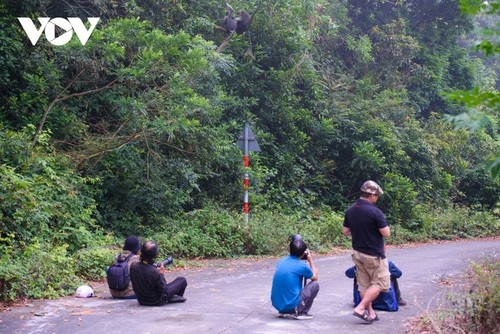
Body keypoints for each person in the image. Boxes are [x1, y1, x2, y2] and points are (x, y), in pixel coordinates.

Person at [342, 180, 390, 323]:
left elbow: (345, 231)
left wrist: (360, 231)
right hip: (373, 255)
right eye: (377, 196)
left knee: (364, 284)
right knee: (382, 283)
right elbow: (386, 233)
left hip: (357, 253)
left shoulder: (350, 210)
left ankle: (371, 313)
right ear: (372, 195)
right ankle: (361, 307)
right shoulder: (375, 212)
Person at [270, 234, 319, 320]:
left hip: (277, 304)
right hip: (291, 306)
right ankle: (300, 312)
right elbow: (315, 277)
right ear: (304, 253)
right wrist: (310, 260)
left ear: (290, 250)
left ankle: (282, 311)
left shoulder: (282, 260)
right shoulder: (301, 266)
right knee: (315, 284)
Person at [130, 241, 187, 306]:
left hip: (141, 300)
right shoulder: (155, 272)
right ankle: (170, 298)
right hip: (156, 301)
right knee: (182, 280)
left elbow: (144, 268)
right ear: (155, 255)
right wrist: (161, 274)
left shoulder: (133, 266)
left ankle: (172, 297)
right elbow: (164, 290)